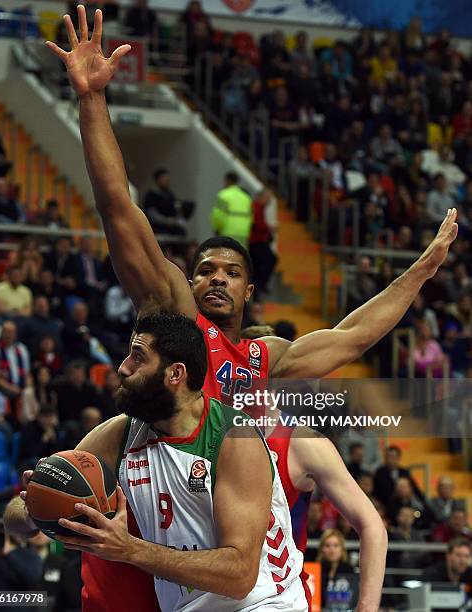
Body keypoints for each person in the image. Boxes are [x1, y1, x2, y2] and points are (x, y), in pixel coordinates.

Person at [45, 6, 458, 611]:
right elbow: (120, 214)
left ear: (249, 293)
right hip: (161, 531)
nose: (215, 278)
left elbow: (353, 336)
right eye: (205, 268)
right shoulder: (176, 321)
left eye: (231, 273)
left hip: (233, 552)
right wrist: (91, 103)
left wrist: (420, 271)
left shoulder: (267, 358)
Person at [5, 313, 308, 610]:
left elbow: (240, 575)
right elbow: (15, 519)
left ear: (175, 374)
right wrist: (36, 508)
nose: (123, 368)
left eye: (138, 357)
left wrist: (130, 550)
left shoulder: (233, 438)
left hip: (264, 602)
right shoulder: (119, 436)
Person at [142, 168, 193, 238]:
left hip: (171, 227)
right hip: (158, 227)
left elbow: (175, 207)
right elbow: (152, 214)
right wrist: (167, 221)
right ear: (158, 180)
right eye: (164, 179)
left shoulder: (169, 194)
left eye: (168, 179)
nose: (167, 181)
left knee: (181, 232)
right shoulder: (151, 195)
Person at [211, 171, 252, 247]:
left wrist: (217, 229)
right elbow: (251, 216)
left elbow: (218, 215)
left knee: (226, 257)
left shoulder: (223, 194)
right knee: (240, 256)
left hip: (227, 232)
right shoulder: (246, 197)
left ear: (227, 181)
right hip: (243, 233)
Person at [316, 529, 355, 610]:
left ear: (342, 549)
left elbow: (353, 597)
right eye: (327, 546)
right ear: (322, 549)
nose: (332, 550)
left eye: (336, 545)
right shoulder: (316, 569)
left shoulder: (349, 570)